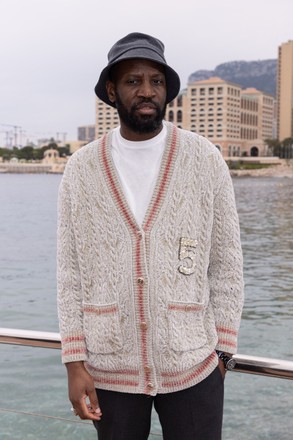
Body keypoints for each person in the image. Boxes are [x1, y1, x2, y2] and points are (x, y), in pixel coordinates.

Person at [57, 32, 244, 440]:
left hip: (193, 363)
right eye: (133, 81)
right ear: (112, 90)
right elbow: (70, 270)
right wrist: (74, 362)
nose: (146, 91)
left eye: (156, 81)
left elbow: (227, 261)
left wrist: (224, 353)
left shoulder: (204, 157)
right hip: (110, 366)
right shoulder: (81, 168)